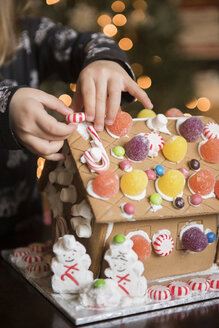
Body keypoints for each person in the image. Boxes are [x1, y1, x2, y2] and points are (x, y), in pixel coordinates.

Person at [0, 0, 153, 237]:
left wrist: (104, 61)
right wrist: (5, 108)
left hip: (26, 231)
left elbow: (91, 43)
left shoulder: (28, 35)